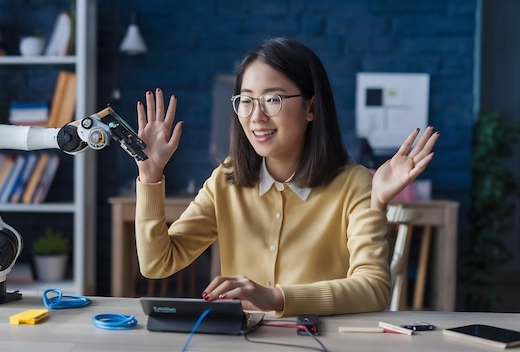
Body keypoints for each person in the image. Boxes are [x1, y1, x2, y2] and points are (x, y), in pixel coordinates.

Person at [132, 37, 439, 317]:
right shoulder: (226, 180)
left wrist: (277, 298)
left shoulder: (354, 184)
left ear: (311, 108)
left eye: (272, 99)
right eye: (246, 100)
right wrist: (150, 175)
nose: (256, 116)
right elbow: (158, 263)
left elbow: (374, 289)